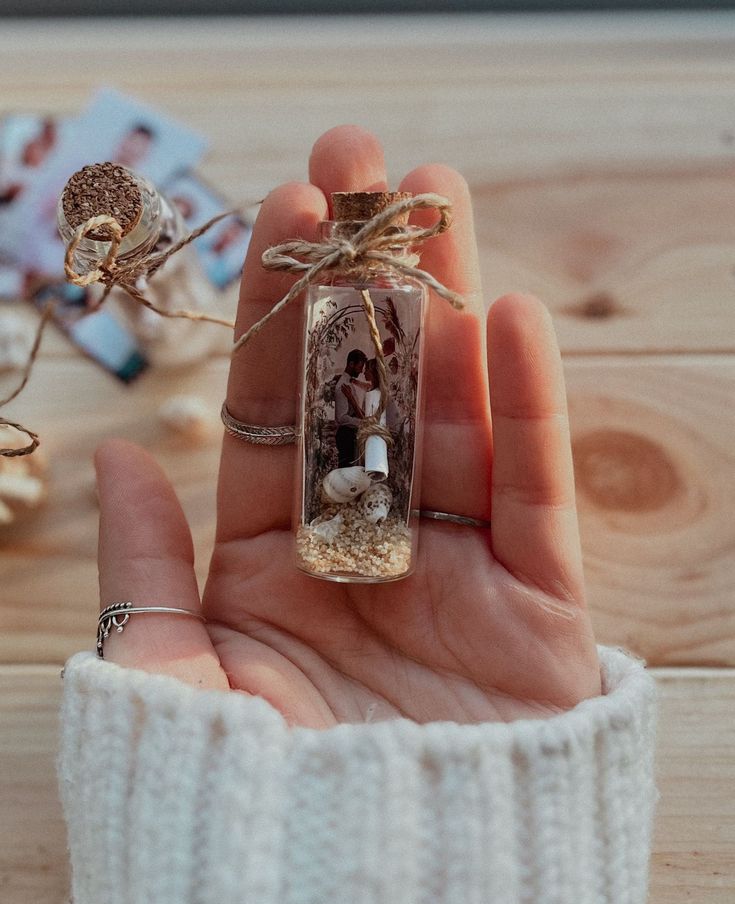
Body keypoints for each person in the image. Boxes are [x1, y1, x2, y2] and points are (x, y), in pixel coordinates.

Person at [57, 125, 657, 904]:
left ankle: (366, 516)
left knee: (374, 466)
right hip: (346, 468)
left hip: (373, 471)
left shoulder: (391, 320)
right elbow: (346, 412)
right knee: (351, 468)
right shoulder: (340, 339)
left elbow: (375, 416)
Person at [333, 347, 368, 465]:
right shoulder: (342, 386)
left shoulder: (348, 383)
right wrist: (361, 423)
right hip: (345, 435)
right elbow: (342, 418)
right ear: (351, 364)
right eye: (360, 367)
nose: (361, 371)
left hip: (350, 434)